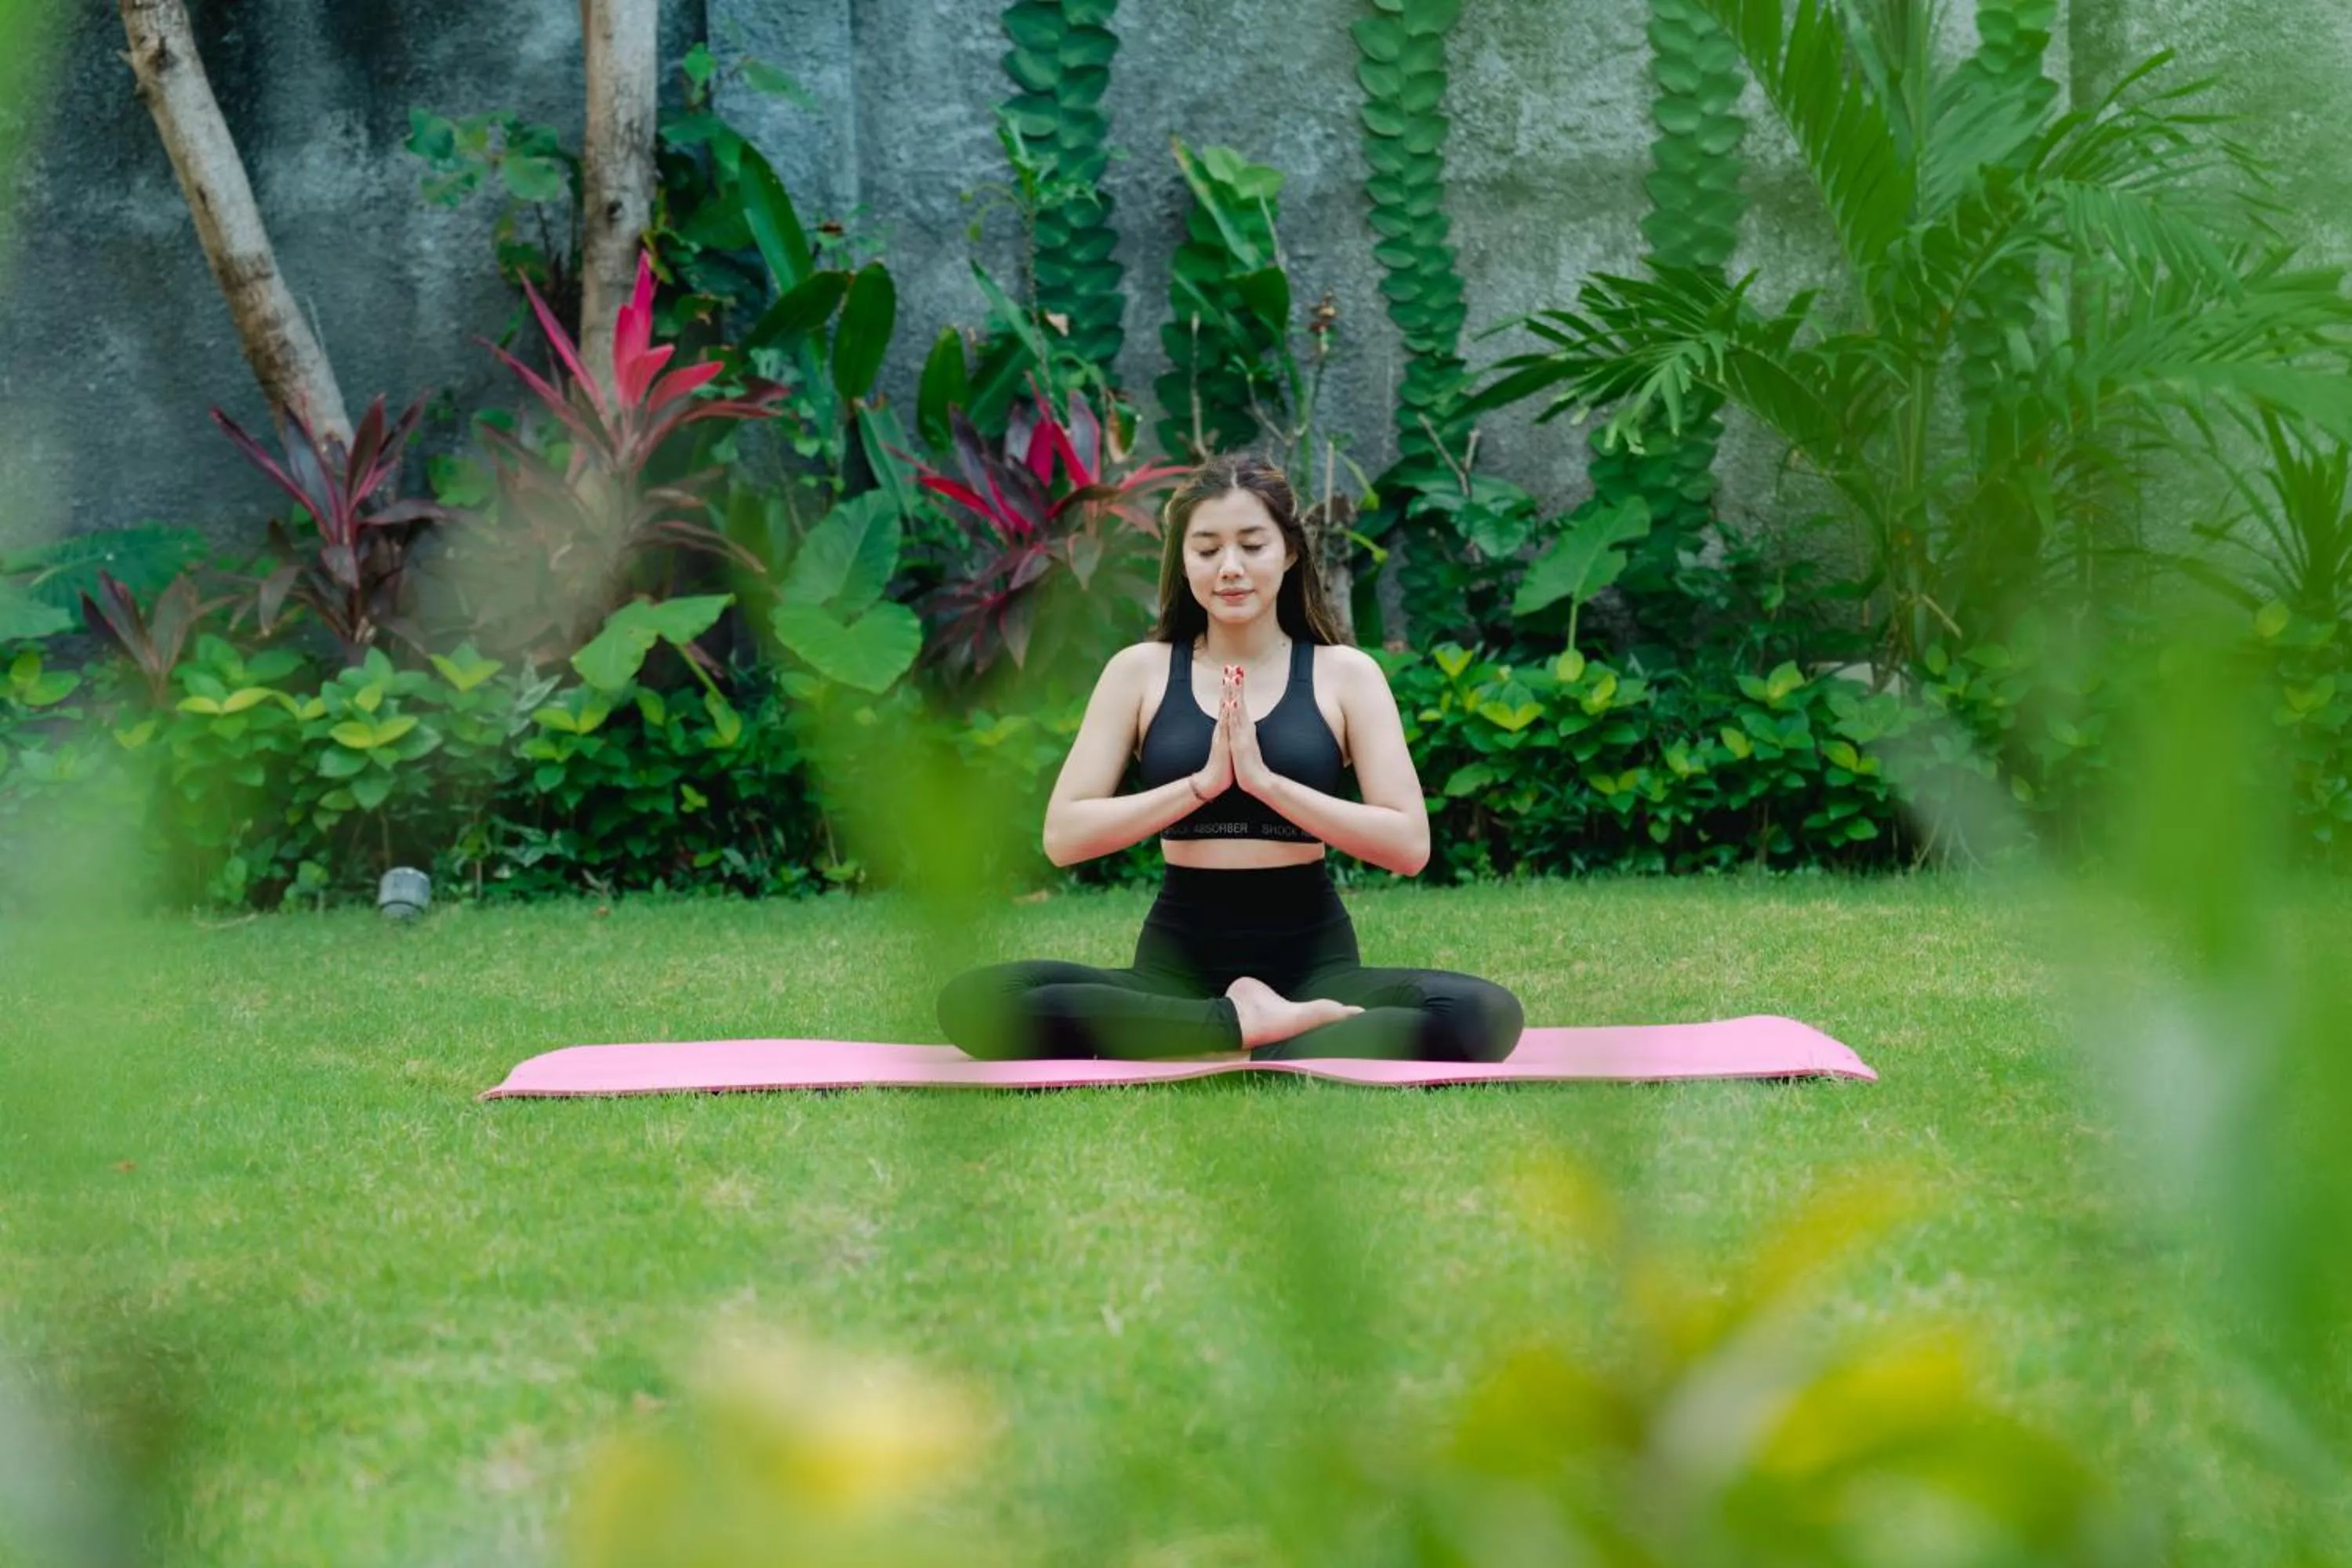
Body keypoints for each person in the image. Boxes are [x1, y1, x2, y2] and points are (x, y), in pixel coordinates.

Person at [934, 452, 1526, 1064]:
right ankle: (1242, 1026)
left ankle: (1249, 1030)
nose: (1231, 568)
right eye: (1208, 548)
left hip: (1314, 970)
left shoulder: (1345, 675)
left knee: (1484, 1015)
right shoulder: (1139, 672)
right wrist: (1202, 784)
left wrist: (1267, 784)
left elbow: (1408, 846)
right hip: (1174, 971)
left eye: (1252, 544)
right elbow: (1063, 836)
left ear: (1290, 552)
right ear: (1183, 559)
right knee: (974, 1001)